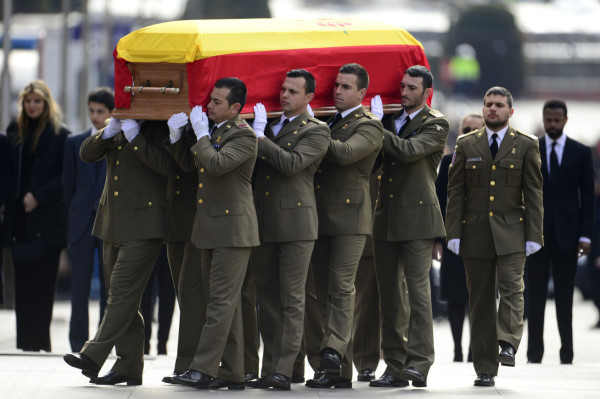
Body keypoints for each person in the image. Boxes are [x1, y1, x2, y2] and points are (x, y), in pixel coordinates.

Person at [445, 86, 543, 387]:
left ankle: (508, 342)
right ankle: (485, 368)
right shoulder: (465, 144)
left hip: (513, 232)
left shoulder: (526, 144)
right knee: (481, 301)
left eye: (499, 105)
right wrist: (453, 233)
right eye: (488, 104)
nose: (492, 109)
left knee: (513, 289)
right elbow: (456, 192)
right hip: (475, 234)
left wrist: (534, 235)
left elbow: (534, 193)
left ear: (510, 112)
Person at [63, 117, 172, 385]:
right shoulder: (120, 124)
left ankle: (93, 354)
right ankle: (129, 367)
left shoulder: (159, 127)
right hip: (111, 222)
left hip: (145, 224)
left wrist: (136, 138)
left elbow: (166, 166)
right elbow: (86, 154)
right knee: (123, 298)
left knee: (121, 295)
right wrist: (109, 130)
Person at [172, 77, 259, 390]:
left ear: (235, 108)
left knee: (221, 303)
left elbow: (217, 164)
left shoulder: (244, 135)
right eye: (210, 100)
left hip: (233, 230)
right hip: (210, 228)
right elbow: (194, 166)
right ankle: (233, 371)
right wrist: (177, 137)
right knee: (224, 303)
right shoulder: (216, 132)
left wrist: (199, 133)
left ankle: (204, 368)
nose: (208, 106)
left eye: (217, 102)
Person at [247, 69, 330, 390]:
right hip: (264, 221)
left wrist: (260, 139)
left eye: (293, 91)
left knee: (293, 299)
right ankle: (271, 368)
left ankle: (285, 369)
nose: (284, 95)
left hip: (297, 224)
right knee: (267, 299)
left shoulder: (317, 130)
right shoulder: (266, 123)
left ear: (309, 97)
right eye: (283, 89)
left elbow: (292, 164)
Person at [305, 63, 383, 389]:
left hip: (351, 220)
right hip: (320, 216)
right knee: (322, 293)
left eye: (346, 86)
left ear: (362, 93)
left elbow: (345, 153)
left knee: (341, 286)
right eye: (336, 85)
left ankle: (333, 352)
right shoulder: (328, 122)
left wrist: (310, 126)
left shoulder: (370, 126)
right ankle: (340, 372)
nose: (337, 90)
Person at [370, 65, 449, 388]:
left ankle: (419, 363)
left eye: (412, 88)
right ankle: (394, 364)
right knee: (389, 297)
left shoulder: (436, 123)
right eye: (402, 86)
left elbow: (408, 151)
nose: (404, 92)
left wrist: (374, 127)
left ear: (426, 92)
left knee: (418, 295)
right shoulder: (387, 120)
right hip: (386, 217)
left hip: (418, 220)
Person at [3, 80, 70, 351]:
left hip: (48, 220)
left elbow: (65, 177)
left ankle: (41, 343)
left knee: (43, 286)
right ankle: (25, 344)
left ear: (46, 103)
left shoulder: (59, 134)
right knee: (22, 286)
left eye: (37, 101)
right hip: (20, 221)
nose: (32, 106)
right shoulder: (14, 132)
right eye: (28, 101)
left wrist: (38, 196)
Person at [526, 99, 594, 364]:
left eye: (556, 120)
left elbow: (587, 197)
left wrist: (586, 235)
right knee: (535, 297)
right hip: (537, 235)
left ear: (565, 120)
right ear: (543, 120)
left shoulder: (581, 152)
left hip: (568, 235)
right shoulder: (531, 149)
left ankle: (567, 353)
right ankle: (534, 354)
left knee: (565, 298)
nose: (552, 124)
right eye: (548, 120)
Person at [63, 86, 113, 353]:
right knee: (78, 288)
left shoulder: (118, 141)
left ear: (111, 113)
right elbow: (67, 185)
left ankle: (102, 344)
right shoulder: (74, 142)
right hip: (81, 222)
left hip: (107, 223)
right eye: (92, 111)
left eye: (100, 111)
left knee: (108, 291)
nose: (95, 116)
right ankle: (77, 344)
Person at [434, 112, 484, 362]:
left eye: (476, 129)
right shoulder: (448, 161)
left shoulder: (491, 161)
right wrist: (438, 240)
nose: (470, 133)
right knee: (455, 296)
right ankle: (457, 350)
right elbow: (439, 200)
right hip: (454, 237)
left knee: (479, 297)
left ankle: (476, 350)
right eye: (466, 129)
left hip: (483, 238)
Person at [160, 112, 205, 382]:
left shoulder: (205, 126)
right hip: (175, 220)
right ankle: (191, 362)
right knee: (184, 293)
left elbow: (191, 165)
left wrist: (179, 137)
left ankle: (189, 364)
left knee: (191, 294)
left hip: (198, 221)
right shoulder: (166, 126)